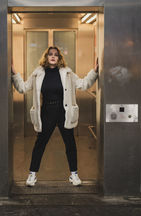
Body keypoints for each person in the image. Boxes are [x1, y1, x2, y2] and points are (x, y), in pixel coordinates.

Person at [11, 46, 99, 187]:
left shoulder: (67, 73)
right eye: (50, 54)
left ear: (59, 58)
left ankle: (74, 175)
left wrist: (94, 71)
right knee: (40, 144)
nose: (53, 56)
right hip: (47, 112)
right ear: (46, 57)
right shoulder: (37, 73)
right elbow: (22, 88)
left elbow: (83, 84)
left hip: (64, 113)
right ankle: (32, 174)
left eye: (56, 55)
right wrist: (14, 73)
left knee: (70, 143)